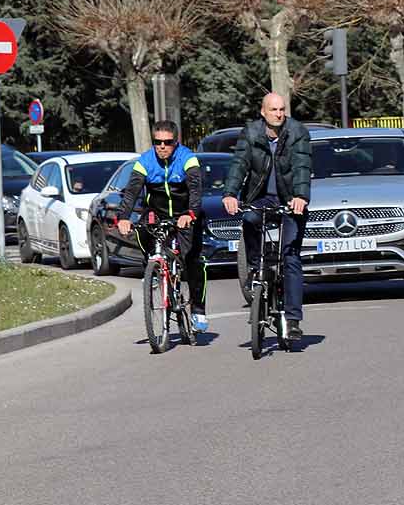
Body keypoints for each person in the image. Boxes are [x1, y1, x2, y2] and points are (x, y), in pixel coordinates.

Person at [223, 93, 313, 340]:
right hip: (259, 196)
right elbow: (239, 164)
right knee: (250, 220)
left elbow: (302, 167)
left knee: (290, 256)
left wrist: (300, 197)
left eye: (282, 109)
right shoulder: (251, 133)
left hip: (290, 199)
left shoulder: (297, 132)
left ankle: (293, 320)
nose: (279, 114)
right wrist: (230, 194)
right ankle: (254, 266)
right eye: (273, 109)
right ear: (263, 112)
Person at [117, 119, 208, 331]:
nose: (162, 147)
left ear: (175, 142)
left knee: (193, 260)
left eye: (167, 142)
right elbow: (132, 191)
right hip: (156, 212)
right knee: (140, 230)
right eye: (157, 142)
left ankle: (198, 309)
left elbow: (195, 189)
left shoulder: (187, 158)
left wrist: (191, 213)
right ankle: (153, 267)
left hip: (184, 213)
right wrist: (123, 217)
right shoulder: (145, 161)